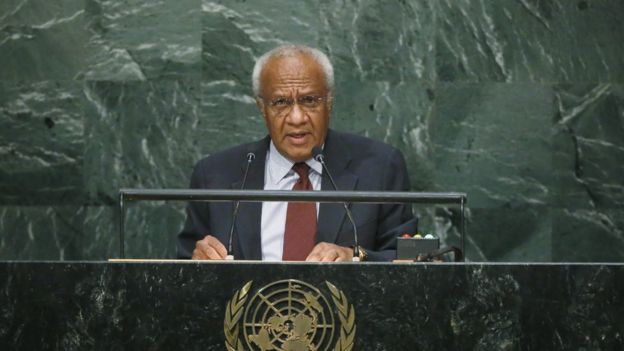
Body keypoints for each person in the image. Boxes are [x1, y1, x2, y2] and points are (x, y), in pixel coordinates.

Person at [178, 44, 417, 262]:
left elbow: (410, 259)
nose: (297, 118)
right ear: (262, 107)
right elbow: (181, 268)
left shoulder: (380, 168)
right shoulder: (214, 175)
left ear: (329, 102)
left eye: (310, 100)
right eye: (281, 102)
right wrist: (198, 261)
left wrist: (355, 256)